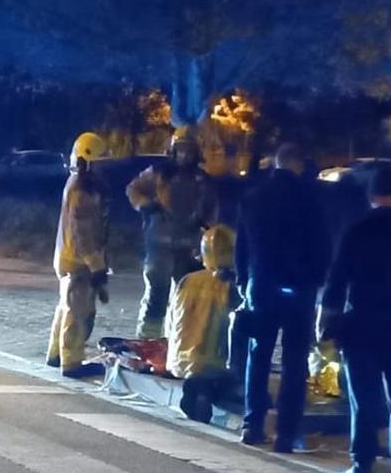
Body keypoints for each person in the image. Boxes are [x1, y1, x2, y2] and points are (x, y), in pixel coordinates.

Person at [235, 143, 330, 452]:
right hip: (298, 290)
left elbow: (242, 246)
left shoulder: (254, 198)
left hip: (261, 286)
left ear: (276, 163)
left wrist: (242, 280)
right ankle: (286, 435)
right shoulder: (310, 198)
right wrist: (316, 279)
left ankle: (252, 424)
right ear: (298, 164)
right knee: (294, 362)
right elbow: (322, 244)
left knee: (258, 355)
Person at [320, 165, 391, 473]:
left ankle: (362, 460)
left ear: (372, 195)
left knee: (361, 393)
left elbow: (337, 278)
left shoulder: (358, 228)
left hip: (362, 322)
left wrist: (327, 323)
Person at [127, 127, 219, 338]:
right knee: (156, 297)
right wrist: (146, 205)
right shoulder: (159, 173)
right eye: (181, 149)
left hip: (188, 249)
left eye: (189, 150)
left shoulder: (203, 181)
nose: (184, 155)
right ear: (173, 150)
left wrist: (206, 242)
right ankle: (147, 340)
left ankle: (176, 343)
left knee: (185, 299)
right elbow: (133, 189)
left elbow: (211, 214)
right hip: (158, 246)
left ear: (196, 152)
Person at [46, 132, 111, 378]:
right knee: (78, 312)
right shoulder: (83, 192)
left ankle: (56, 354)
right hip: (78, 261)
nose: (102, 169)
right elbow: (84, 233)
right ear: (86, 162)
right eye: (99, 163)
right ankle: (71, 362)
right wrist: (97, 266)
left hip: (68, 257)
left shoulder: (76, 184)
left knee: (66, 307)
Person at [165, 225, 239, 422]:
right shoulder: (233, 286)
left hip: (182, 359)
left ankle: (197, 386)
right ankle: (206, 391)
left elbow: (172, 320)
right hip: (217, 361)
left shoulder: (187, 280)